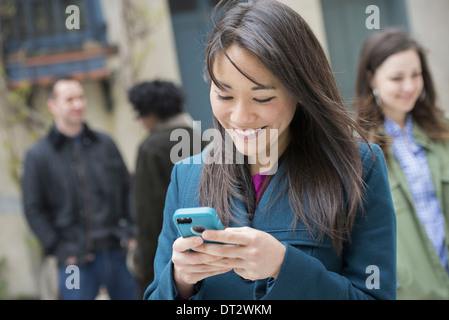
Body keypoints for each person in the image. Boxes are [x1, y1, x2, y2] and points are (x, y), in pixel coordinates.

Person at [145, 0, 396, 300]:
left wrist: (282, 265)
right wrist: (180, 280)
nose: (240, 117)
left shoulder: (358, 166)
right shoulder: (186, 176)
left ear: (301, 91)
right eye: (224, 95)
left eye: (262, 98)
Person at [22, 75, 138, 300]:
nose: (78, 104)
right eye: (69, 99)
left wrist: (131, 231)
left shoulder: (105, 143)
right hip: (74, 263)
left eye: (80, 97)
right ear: (52, 106)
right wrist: (61, 249)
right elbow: (33, 208)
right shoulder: (38, 156)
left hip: (117, 253)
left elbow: (128, 188)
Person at [354, 28, 449, 299]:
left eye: (416, 75)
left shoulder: (443, 132)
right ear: (371, 77)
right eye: (397, 78)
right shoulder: (359, 150)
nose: (409, 87)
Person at [127, 80, 207, 297]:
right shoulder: (198, 138)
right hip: (204, 242)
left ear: (150, 114)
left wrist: (142, 261)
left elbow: (149, 213)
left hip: (168, 252)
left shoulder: (151, 147)